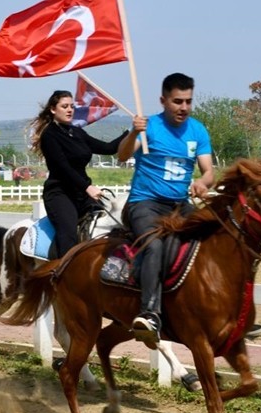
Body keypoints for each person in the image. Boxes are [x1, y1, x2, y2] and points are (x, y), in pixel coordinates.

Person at [117, 73, 215, 348]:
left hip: (180, 205)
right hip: (144, 203)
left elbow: (209, 172)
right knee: (154, 245)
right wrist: (134, 132)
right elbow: (122, 155)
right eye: (177, 101)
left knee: (215, 235)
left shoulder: (198, 130)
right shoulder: (148, 127)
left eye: (188, 101)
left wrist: (202, 182)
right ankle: (149, 313)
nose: (184, 107)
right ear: (163, 100)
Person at [31, 90, 130, 260]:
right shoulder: (49, 135)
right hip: (60, 194)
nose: (70, 110)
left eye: (72, 106)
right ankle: (61, 271)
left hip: (82, 194)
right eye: (64, 106)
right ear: (53, 109)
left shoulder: (77, 132)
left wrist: (132, 131)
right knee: (68, 234)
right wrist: (87, 187)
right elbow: (63, 168)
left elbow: (108, 148)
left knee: (111, 225)